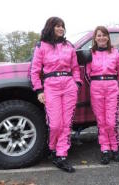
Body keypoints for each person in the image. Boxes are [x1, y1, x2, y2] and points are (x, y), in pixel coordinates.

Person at [30, 17, 82, 173]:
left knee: (66, 124)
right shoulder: (41, 46)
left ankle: (61, 155)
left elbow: (75, 68)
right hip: (51, 87)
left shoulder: (69, 46)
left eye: (62, 26)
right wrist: (39, 90)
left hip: (69, 86)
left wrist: (77, 83)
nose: (61, 29)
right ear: (50, 27)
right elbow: (35, 71)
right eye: (57, 26)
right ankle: (52, 149)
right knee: (55, 124)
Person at [86, 26, 119, 165]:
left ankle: (115, 147)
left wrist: (111, 83)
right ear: (95, 38)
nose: (101, 38)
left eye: (104, 35)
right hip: (96, 88)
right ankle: (105, 149)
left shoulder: (115, 52)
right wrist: (97, 84)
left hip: (112, 87)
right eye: (98, 35)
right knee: (101, 122)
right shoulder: (91, 53)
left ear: (108, 37)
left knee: (111, 121)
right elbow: (87, 74)